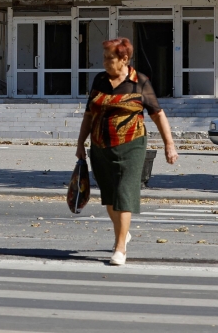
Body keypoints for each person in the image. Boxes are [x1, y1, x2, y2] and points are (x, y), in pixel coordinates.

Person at [76, 37, 178, 266]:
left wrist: (168, 145)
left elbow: (157, 114)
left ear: (124, 59)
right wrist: (80, 143)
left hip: (131, 146)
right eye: (104, 57)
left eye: (109, 58)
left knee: (124, 193)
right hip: (100, 146)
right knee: (109, 195)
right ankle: (123, 231)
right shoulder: (99, 80)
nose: (104, 62)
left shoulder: (139, 82)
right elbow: (89, 114)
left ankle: (120, 247)